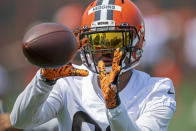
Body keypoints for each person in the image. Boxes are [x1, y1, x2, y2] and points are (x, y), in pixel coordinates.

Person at [10, 0, 176, 130]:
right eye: (97, 41)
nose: (105, 50)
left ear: (136, 41)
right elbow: (21, 120)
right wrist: (43, 81)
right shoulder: (69, 83)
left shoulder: (157, 89)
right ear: (84, 43)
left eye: (114, 40)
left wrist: (114, 106)